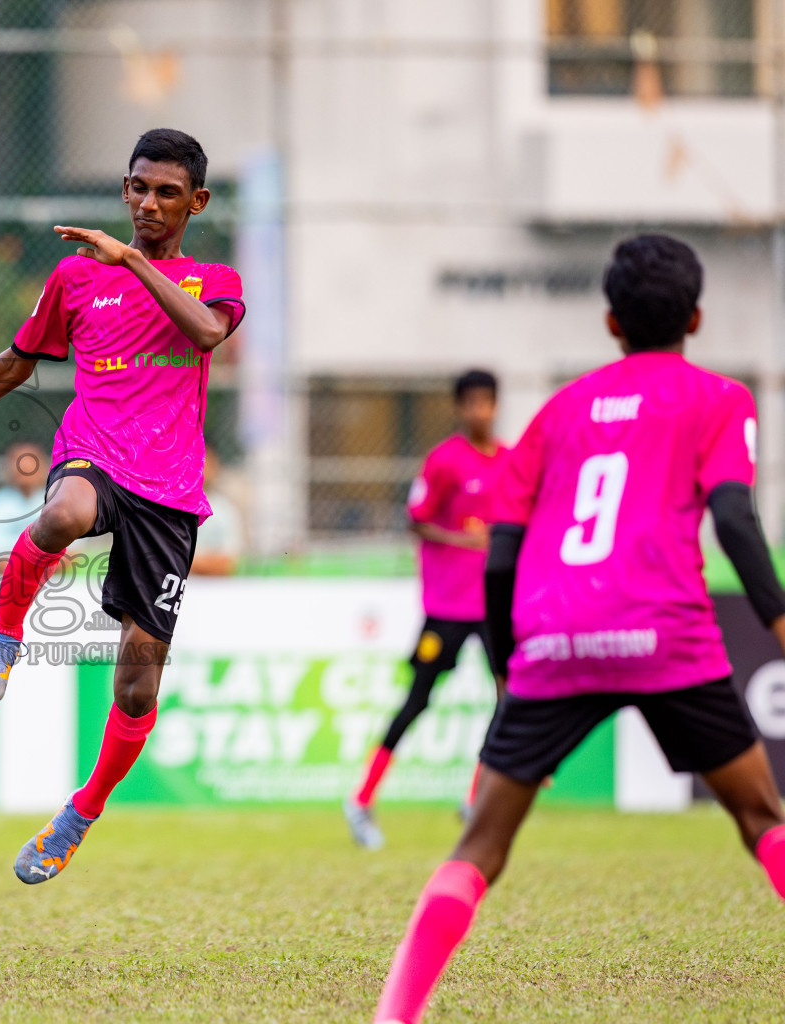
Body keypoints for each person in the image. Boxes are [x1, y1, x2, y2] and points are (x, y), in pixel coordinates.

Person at [371, 235, 785, 1024]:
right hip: (668, 634)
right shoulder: (721, 399)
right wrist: (777, 620)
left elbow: (500, 555)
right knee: (762, 818)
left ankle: (394, 1016)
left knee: (479, 852)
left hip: (555, 640)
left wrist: (507, 666)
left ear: (608, 321)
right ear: (695, 316)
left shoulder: (559, 412)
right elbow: (733, 515)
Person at [0, 128, 244, 884]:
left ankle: (81, 811)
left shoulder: (212, 278)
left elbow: (204, 335)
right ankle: (3, 636)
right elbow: (19, 358)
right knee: (60, 515)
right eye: (137, 187)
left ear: (196, 202)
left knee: (135, 687)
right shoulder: (75, 278)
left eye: (167, 192)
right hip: (94, 450)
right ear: (124, 189)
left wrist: (130, 259)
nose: (148, 203)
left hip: (169, 492)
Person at [345, 370, 506, 850]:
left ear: (496, 406)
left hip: (494, 602)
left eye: (487, 402)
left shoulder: (512, 462)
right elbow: (416, 520)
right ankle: (362, 798)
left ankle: (476, 796)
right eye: (471, 403)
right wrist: (462, 539)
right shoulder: (444, 461)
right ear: (460, 408)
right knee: (418, 699)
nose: (480, 411)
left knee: (510, 694)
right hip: (448, 604)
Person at [0, 441, 47, 563]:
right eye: (19, 461)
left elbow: (69, 556)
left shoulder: (58, 503)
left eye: (32, 460)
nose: (26, 466)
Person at [189, 445, 243, 576]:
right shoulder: (167, 505)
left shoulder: (224, 511)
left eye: (206, 462)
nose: (202, 468)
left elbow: (227, 564)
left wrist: (181, 560)